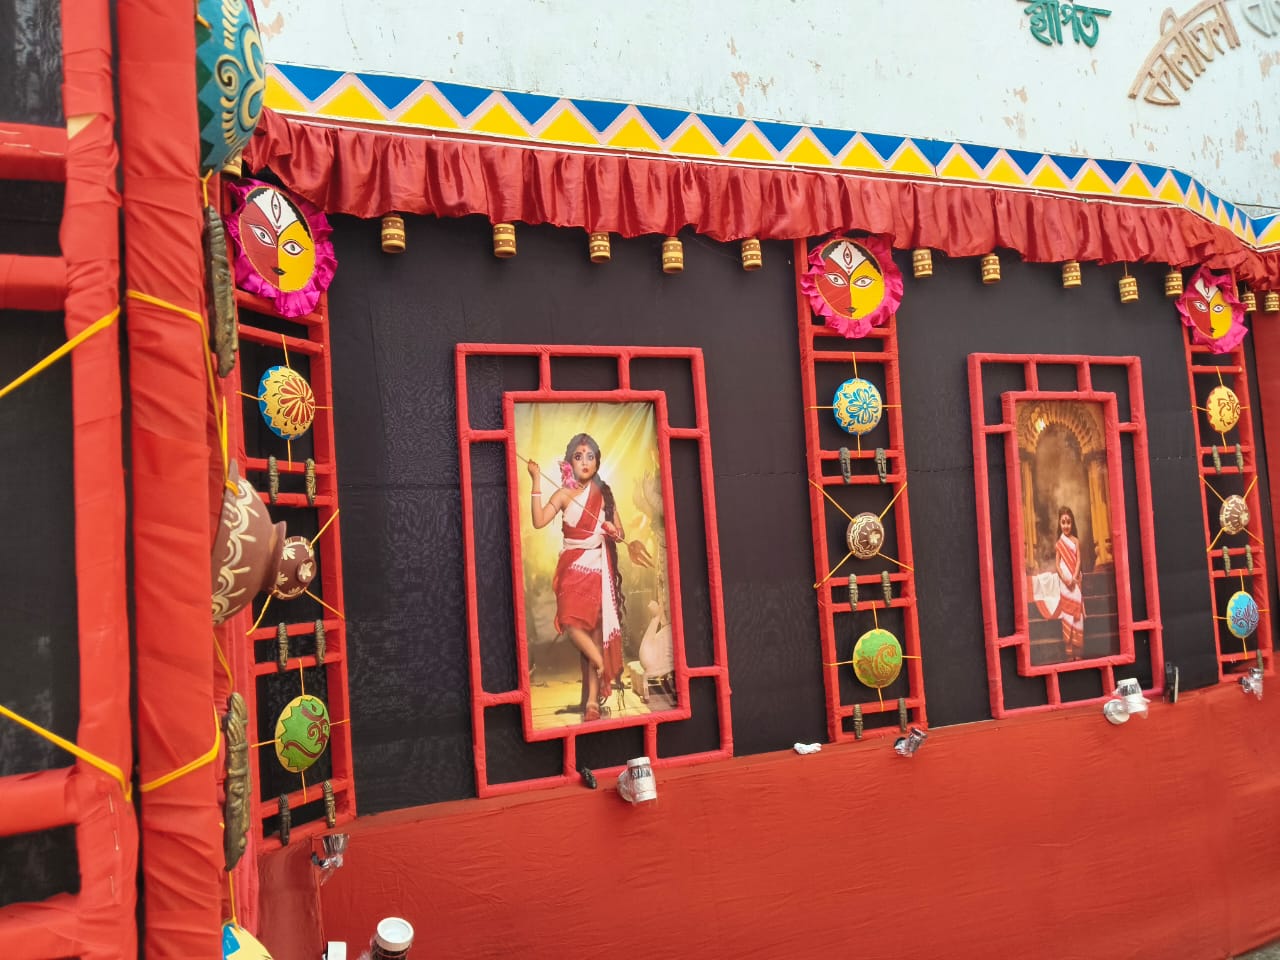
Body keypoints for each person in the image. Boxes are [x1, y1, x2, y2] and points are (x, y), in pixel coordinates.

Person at [527, 434, 652, 722]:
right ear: (569, 462)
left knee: (595, 632)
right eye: (578, 456)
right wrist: (535, 480)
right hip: (572, 566)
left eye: (590, 456)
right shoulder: (563, 494)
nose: (584, 461)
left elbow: (620, 534)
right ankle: (600, 662)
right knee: (570, 623)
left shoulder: (604, 493)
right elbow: (538, 521)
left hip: (598, 567)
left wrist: (612, 530)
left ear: (597, 462)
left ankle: (592, 703)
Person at [1055, 506, 1085, 661]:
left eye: (1068, 522)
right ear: (1059, 524)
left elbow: (1078, 560)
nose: (1066, 526)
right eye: (1063, 522)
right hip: (1065, 584)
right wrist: (1065, 579)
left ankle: (1078, 650)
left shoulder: (1076, 541)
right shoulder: (1059, 543)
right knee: (1067, 614)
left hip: (1075, 581)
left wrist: (1074, 577)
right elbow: (1057, 564)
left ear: (1072, 523)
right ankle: (1068, 650)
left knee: (1077, 615)